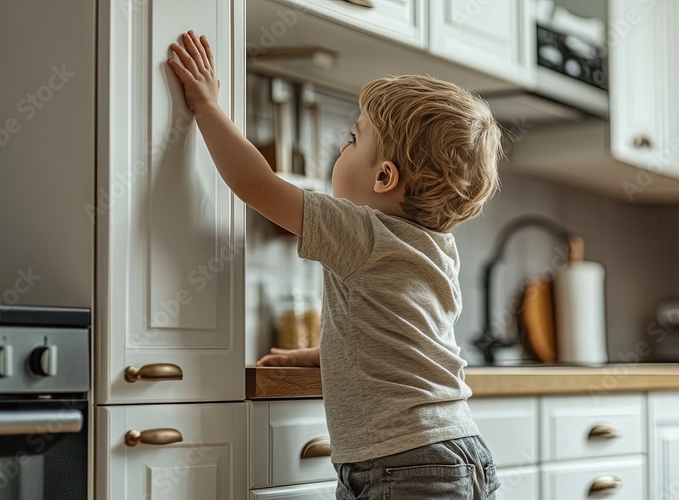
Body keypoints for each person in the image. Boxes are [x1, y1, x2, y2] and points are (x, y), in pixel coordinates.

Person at [168, 30, 502, 499]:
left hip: (402, 464)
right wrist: (319, 355)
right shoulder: (437, 246)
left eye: (353, 139)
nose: (341, 149)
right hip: (456, 449)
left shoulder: (362, 228)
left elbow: (256, 185)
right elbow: (399, 342)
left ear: (384, 176)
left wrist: (206, 107)